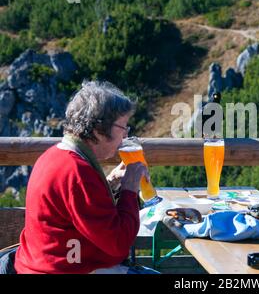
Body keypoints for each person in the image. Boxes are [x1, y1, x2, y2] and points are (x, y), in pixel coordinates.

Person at [13, 80, 156, 274]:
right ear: (99, 130)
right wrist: (129, 189)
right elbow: (119, 243)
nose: (124, 137)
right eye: (123, 128)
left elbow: (78, 209)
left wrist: (110, 184)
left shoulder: (56, 155)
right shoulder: (78, 173)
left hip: (41, 265)